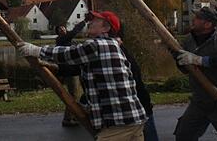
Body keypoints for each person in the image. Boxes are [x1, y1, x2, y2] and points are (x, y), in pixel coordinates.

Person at [18, 10, 146, 140]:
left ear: (106, 28)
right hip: (132, 118)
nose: (90, 22)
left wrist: (36, 50)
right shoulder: (113, 46)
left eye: (96, 20)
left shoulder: (97, 45)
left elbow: (68, 53)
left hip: (120, 122)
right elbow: (98, 84)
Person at [174, 7, 217, 141]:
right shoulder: (189, 40)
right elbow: (186, 70)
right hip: (199, 101)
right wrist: (176, 58)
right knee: (183, 135)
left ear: (208, 24)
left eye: (198, 18)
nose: (194, 20)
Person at [114, 24, 159, 141]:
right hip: (133, 107)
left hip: (138, 106)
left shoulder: (120, 54)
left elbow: (135, 79)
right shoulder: (116, 51)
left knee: (148, 136)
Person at [55, 19, 87, 127]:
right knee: (73, 95)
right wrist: (84, 21)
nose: (62, 29)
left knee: (82, 93)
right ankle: (68, 119)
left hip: (76, 70)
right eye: (60, 28)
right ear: (58, 32)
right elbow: (74, 32)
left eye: (63, 27)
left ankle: (78, 115)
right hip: (70, 72)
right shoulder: (61, 40)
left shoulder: (69, 41)